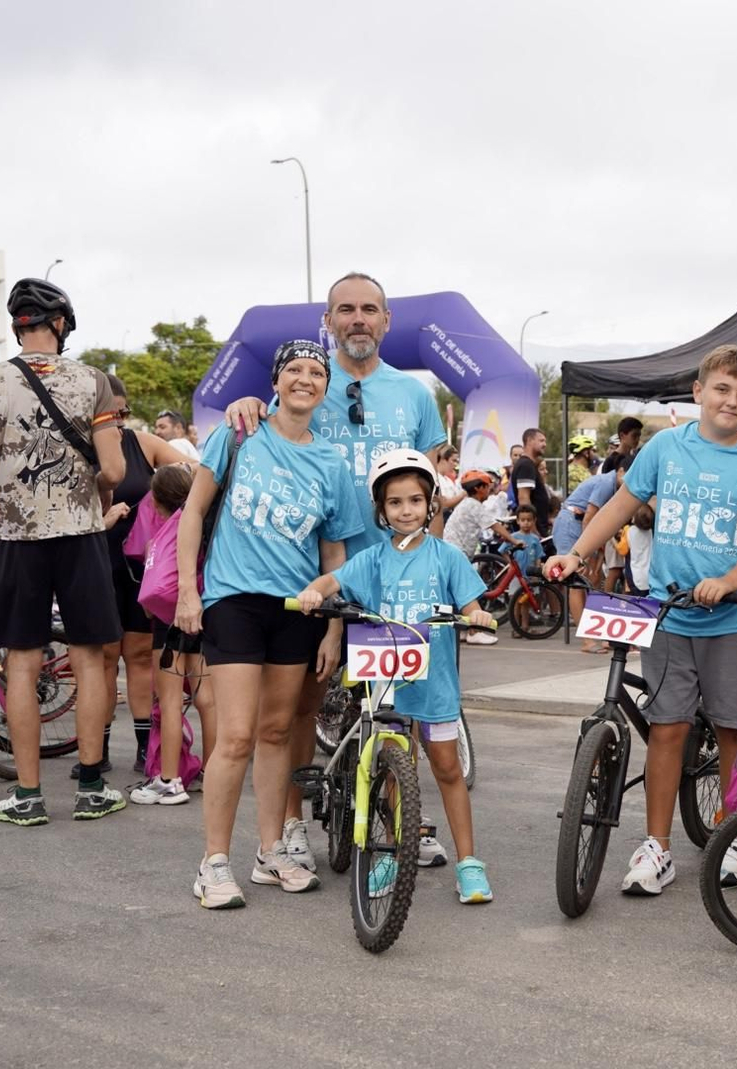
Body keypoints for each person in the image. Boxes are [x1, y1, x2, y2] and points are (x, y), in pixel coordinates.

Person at [222, 271, 448, 871]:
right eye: (344, 309)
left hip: (399, 580)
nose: (357, 319)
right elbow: (260, 427)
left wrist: (438, 573)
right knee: (300, 705)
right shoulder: (306, 383)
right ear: (328, 321)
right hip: (318, 580)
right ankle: (290, 820)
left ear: (386, 321)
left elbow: (433, 493)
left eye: (369, 309)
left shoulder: (415, 396)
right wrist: (243, 401)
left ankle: (405, 817)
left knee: (405, 703)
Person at [545, 344, 737, 896]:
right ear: (699, 392)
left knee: (733, 731)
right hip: (669, 616)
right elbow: (621, 507)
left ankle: (735, 838)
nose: (731, 401)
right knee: (668, 729)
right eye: (721, 389)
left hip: (732, 620)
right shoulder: (664, 448)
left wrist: (731, 582)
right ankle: (658, 847)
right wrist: (577, 553)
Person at [177, 340, 367, 909]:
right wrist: (189, 590)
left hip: (299, 609)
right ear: (277, 381)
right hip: (233, 602)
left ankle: (269, 852)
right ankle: (212, 862)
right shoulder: (238, 434)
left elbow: (333, 551)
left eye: (316, 373)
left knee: (278, 733)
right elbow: (192, 511)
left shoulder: (332, 462)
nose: (305, 380)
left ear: (325, 388)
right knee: (235, 735)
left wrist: (333, 627)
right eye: (294, 370)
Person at [0, 278, 129, 826]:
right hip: (80, 535)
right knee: (89, 659)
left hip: (17, 541)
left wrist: (5, 482)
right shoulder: (93, 381)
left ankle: (27, 795)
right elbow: (117, 470)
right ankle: (92, 786)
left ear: (16, 326)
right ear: (61, 325)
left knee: (23, 666)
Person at [296, 449, 497, 904]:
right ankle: (390, 852)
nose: (405, 510)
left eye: (414, 500)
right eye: (394, 502)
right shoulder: (373, 560)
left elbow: (470, 604)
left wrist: (478, 615)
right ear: (381, 510)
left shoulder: (446, 557)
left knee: (447, 769)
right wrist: (314, 590)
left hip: (435, 683)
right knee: (390, 774)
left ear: (430, 504)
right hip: (385, 685)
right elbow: (334, 580)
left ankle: (468, 863)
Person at [90, 373, 190, 778]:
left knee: (138, 658)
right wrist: (101, 517)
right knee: (101, 659)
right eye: (107, 414)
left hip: (141, 570)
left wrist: (167, 505)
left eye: (122, 412)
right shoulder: (79, 448)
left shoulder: (141, 443)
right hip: (95, 564)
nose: (117, 420)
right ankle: (96, 749)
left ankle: (145, 747)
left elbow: (196, 474)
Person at [129, 463, 213, 807]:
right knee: (208, 700)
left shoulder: (163, 537)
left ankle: (168, 780)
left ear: (157, 504)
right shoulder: (203, 527)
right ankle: (212, 772)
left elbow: (150, 603)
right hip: (204, 616)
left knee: (169, 701)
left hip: (169, 624)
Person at [555, 455, 630, 654]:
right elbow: (590, 518)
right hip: (572, 525)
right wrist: (585, 555)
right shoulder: (606, 483)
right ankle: (587, 640)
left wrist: (596, 558)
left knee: (593, 581)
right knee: (576, 582)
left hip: (582, 528)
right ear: (621, 471)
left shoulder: (617, 488)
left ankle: (598, 634)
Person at [511, 428, 553, 536]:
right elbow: (523, 499)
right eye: (541, 441)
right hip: (535, 532)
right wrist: (533, 531)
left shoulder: (529, 465)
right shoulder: (526, 465)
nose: (545, 444)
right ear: (529, 440)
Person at [625, 503, 654, 597]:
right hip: (649, 574)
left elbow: (623, 549)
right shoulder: (650, 532)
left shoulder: (630, 531)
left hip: (634, 573)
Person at [433, 445, 464, 519]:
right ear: (443, 459)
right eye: (453, 460)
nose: (455, 464)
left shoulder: (448, 480)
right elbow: (444, 504)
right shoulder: (436, 478)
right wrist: (464, 494)